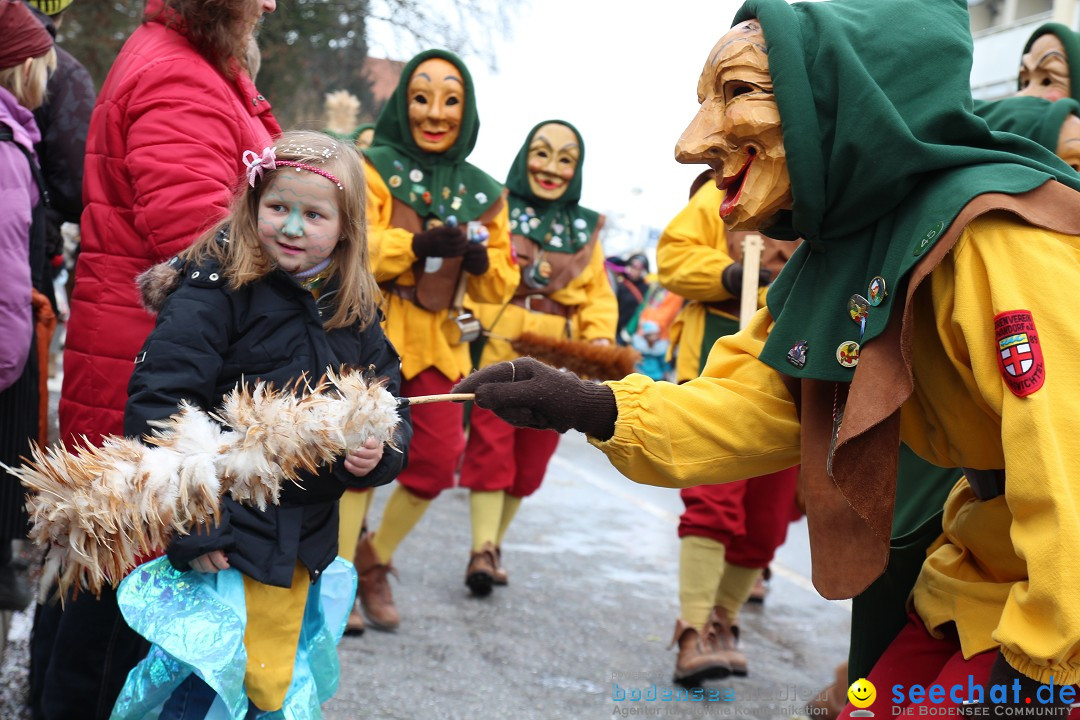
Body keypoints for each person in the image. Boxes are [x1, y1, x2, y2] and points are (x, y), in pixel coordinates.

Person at [455, 0, 1080, 715]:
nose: (691, 144)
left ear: (843, 97)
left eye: (738, 93)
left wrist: (1041, 673)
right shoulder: (839, 250)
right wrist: (590, 404)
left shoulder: (1001, 238)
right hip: (983, 573)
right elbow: (748, 404)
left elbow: (1068, 460)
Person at [109, 130, 411, 720]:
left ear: (347, 226)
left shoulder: (353, 305)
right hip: (225, 539)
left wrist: (382, 449)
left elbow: (389, 399)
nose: (292, 227)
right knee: (202, 688)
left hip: (303, 546)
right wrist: (196, 525)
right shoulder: (216, 287)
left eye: (314, 214)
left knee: (270, 687)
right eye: (278, 207)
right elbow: (164, 405)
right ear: (252, 205)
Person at [36, 0, 281, 717]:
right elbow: (205, 244)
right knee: (125, 603)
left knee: (99, 583)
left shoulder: (198, 66)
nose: (269, 5)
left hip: (137, 356)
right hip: (149, 368)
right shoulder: (181, 79)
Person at [347, 49, 517, 632]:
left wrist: (480, 260)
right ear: (403, 103)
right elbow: (345, 244)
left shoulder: (486, 192)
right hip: (370, 333)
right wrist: (410, 247)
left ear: (466, 111)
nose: (436, 111)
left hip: (442, 340)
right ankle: (341, 576)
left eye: (451, 100)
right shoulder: (368, 168)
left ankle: (375, 559)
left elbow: (501, 279)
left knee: (437, 462)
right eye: (422, 96)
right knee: (357, 457)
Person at [458, 119, 616, 596]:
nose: (551, 167)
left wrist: (600, 342)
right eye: (542, 153)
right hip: (503, 347)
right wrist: (466, 332)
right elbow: (473, 280)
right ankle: (481, 548)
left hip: (560, 361)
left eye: (565, 159)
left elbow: (598, 297)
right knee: (490, 449)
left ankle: (494, 545)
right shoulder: (496, 209)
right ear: (525, 155)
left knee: (531, 461)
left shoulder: (586, 229)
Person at [655, 176, 799, 685]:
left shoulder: (836, 193)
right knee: (713, 504)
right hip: (716, 373)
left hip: (793, 381)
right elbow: (672, 256)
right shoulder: (723, 193)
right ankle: (694, 630)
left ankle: (724, 620)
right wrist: (731, 274)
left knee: (766, 523)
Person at [0, 0, 55, 616]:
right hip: (6, 363)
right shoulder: (7, 148)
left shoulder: (16, 136)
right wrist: (13, 362)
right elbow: (7, 275)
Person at [613, 252, 649, 344]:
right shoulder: (620, 285)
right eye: (633, 266)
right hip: (616, 329)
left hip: (635, 332)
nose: (635, 270)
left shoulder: (647, 288)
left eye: (639, 268)